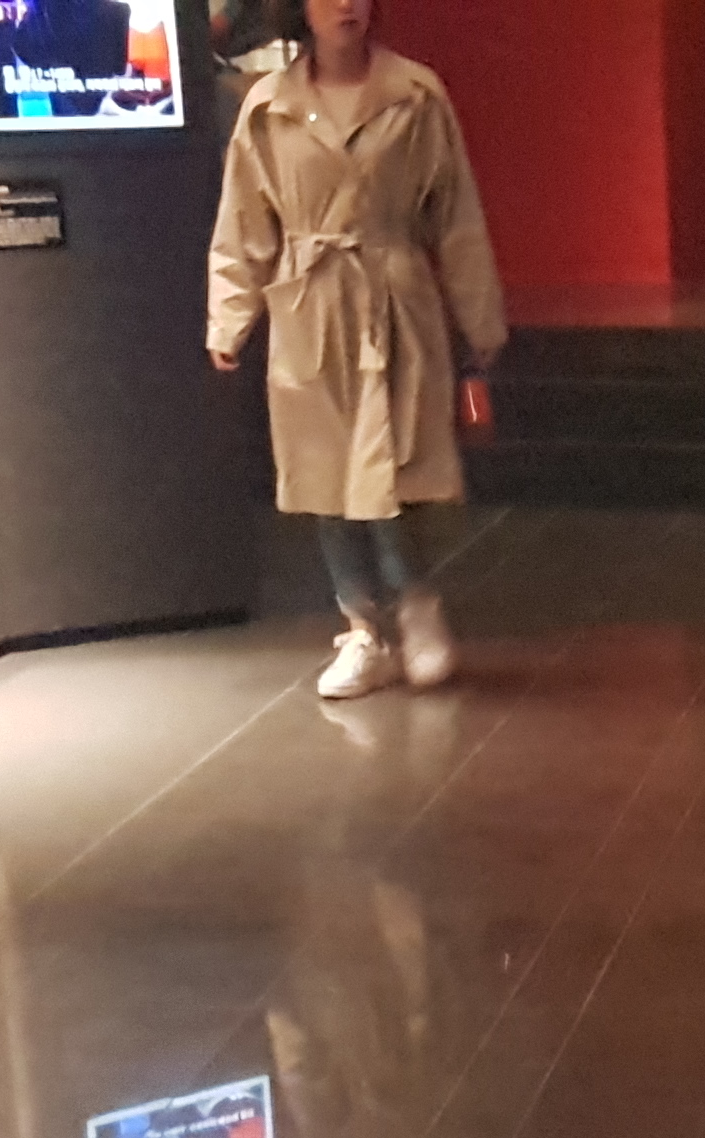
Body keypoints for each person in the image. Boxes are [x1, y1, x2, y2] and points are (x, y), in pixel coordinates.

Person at [206, 0, 505, 701]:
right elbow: (244, 221)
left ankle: (416, 604)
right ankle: (364, 627)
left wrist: (480, 319)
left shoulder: (415, 95)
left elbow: (455, 213)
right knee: (326, 474)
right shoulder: (269, 107)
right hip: (311, 307)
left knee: (395, 465)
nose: (346, 4)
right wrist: (230, 317)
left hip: (394, 297)